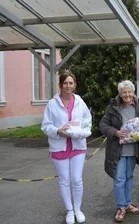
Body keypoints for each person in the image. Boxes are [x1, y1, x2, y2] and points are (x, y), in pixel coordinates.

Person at [41, 72, 92, 224]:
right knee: (64, 180)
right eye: (65, 83)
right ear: (60, 85)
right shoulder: (52, 104)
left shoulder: (80, 102)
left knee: (76, 179)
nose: (68, 86)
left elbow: (88, 122)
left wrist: (82, 132)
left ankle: (78, 209)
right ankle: (69, 210)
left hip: (77, 146)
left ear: (74, 85)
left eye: (71, 83)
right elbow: (45, 126)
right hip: (59, 147)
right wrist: (58, 131)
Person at [99, 80, 139, 223]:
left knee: (129, 177)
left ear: (133, 92)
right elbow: (103, 125)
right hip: (118, 150)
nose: (127, 95)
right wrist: (115, 132)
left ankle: (127, 204)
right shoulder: (113, 108)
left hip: (134, 150)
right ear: (120, 94)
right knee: (119, 178)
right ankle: (121, 207)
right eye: (124, 92)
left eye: (129, 92)